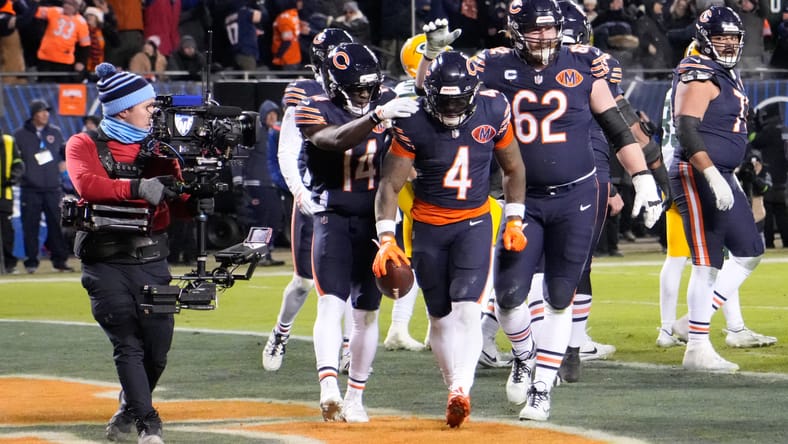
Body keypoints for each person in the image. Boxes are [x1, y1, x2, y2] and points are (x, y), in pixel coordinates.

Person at [454, 0, 662, 421]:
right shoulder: (491, 65)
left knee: (559, 296)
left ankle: (542, 389)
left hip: (576, 196)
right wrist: (430, 57)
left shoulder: (586, 62)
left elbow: (618, 127)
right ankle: (525, 355)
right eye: (536, 30)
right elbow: (444, 89)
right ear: (514, 31)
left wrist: (643, 178)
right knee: (510, 297)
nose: (546, 37)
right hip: (521, 200)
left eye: (551, 30)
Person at [374, 50, 526, 428]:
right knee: (439, 319)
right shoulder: (413, 121)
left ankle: (461, 388)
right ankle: (452, 386)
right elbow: (390, 184)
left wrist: (515, 219)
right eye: (447, 100)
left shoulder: (493, 108)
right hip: (428, 228)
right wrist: (386, 238)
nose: (455, 108)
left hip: (473, 224)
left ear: (474, 92)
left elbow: (513, 167)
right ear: (430, 95)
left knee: (468, 311)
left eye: (461, 100)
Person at [65, 62, 201, 443]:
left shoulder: (161, 149)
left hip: (153, 259)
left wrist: (195, 192)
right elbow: (90, 185)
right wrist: (140, 186)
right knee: (127, 340)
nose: (154, 113)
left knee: (157, 351)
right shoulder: (84, 144)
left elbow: (182, 206)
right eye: (148, 107)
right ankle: (148, 422)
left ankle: (130, 407)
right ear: (124, 108)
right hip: (106, 260)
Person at [294, 42, 418, 422]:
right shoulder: (312, 107)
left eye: (370, 88)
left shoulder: (386, 96)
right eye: (356, 89)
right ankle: (328, 384)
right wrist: (378, 117)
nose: (364, 95)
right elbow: (333, 140)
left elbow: (421, 98)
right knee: (331, 303)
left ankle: (355, 397)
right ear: (333, 83)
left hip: (376, 219)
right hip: (334, 214)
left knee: (367, 312)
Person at [669, 6, 765, 372]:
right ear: (705, 38)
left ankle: (692, 320)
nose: (728, 43)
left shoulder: (726, 72)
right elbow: (687, 129)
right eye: (721, 36)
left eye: (733, 37)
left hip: (723, 171)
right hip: (697, 171)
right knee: (707, 262)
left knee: (750, 250)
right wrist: (710, 174)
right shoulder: (699, 72)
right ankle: (696, 346)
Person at [262, 28, 354, 373]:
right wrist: (300, 191)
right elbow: (288, 149)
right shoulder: (305, 93)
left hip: (348, 194)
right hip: (314, 193)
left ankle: (347, 346)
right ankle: (280, 332)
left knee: (349, 278)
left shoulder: (359, 88)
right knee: (303, 283)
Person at [14, 99, 74, 274]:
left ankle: (60, 261)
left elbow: (64, 153)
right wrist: (24, 176)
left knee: (56, 225)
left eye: (47, 111)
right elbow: (16, 161)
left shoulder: (55, 132)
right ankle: (31, 262)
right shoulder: (19, 135)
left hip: (53, 188)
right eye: (41, 111)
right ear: (33, 115)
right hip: (29, 189)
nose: (45, 114)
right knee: (30, 226)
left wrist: (64, 161)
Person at [34, 0, 91, 83]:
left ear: (76, 8)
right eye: (65, 3)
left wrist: (81, 62)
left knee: (62, 89)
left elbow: (85, 45)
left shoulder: (81, 22)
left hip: (64, 62)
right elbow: (36, 12)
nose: (66, 6)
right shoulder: (55, 11)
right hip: (45, 59)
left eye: (70, 4)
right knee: (44, 87)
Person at [1, 130, 23, 274]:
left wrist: (14, 176)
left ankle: (9, 265)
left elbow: (17, 163)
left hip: (4, 194)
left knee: (6, 232)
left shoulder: (8, 141)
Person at [271, 0, 302, 70]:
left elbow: (287, 41)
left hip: (286, 59)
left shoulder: (284, 18)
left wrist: (278, 56)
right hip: (295, 56)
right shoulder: (294, 14)